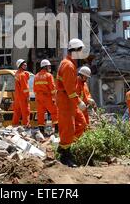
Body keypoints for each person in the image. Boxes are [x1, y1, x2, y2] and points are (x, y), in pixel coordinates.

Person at [56, 38, 85, 167]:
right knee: (68, 128)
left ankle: (64, 148)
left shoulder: (69, 63)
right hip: (66, 100)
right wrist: (79, 102)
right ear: (75, 51)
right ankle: (65, 156)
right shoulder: (68, 65)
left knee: (81, 123)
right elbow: (70, 89)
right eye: (81, 50)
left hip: (68, 100)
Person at [34, 59, 59, 135]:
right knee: (54, 112)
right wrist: (54, 98)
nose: (49, 67)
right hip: (47, 97)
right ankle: (57, 129)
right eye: (48, 66)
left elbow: (34, 88)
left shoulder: (36, 76)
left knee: (40, 114)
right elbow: (52, 88)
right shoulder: (49, 75)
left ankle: (41, 131)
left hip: (39, 97)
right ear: (45, 67)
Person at [12, 59, 31, 128]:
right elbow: (25, 88)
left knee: (17, 112)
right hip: (23, 96)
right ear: (20, 65)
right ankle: (26, 126)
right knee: (25, 111)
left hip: (17, 96)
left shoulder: (17, 73)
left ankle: (14, 126)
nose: (25, 65)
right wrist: (27, 96)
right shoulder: (22, 75)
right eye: (24, 64)